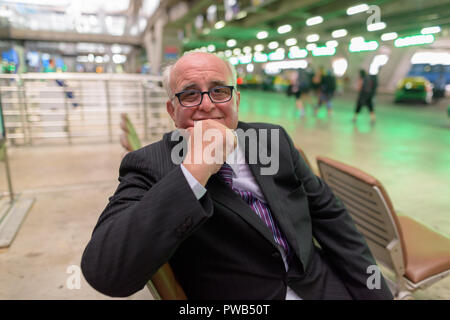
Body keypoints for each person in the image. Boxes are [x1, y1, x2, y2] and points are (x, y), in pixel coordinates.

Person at [81, 52, 393, 300]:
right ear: (172, 110)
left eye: (219, 91)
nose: (207, 105)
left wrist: (376, 291)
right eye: (189, 95)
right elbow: (107, 271)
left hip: (320, 285)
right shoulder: (150, 164)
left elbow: (332, 218)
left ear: (236, 100)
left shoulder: (274, 142)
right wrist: (195, 170)